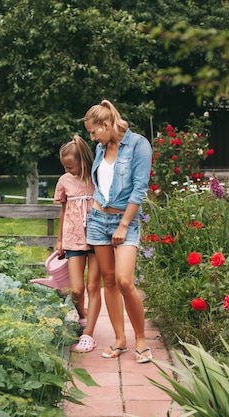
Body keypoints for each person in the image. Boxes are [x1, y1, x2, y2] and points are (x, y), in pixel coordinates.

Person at [83, 100, 154, 363]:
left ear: (106, 124)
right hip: (98, 220)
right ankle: (120, 339)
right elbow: (102, 184)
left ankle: (141, 339)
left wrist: (124, 224)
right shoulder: (101, 148)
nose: (92, 138)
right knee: (109, 281)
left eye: (94, 132)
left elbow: (139, 188)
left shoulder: (138, 145)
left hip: (125, 222)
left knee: (125, 281)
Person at [54, 134, 102, 353]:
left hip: (96, 237)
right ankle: (82, 315)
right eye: (64, 167)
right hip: (73, 239)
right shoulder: (64, 181)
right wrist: (60, 239)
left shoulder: (96, 178)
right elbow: (63, 210)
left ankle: (88, 335)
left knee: (93, 287)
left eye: (70, 167)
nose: (67, 171)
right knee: (75, 289)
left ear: (83, 162)